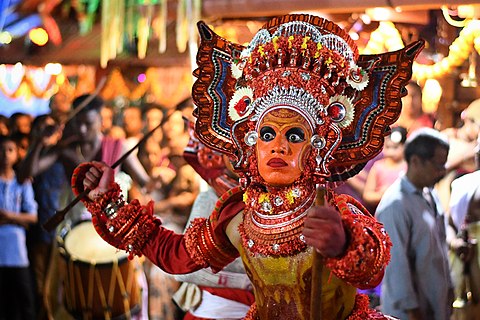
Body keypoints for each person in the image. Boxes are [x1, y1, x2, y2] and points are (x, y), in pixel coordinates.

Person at [70, 14, 423, 319]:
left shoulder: (333, 210)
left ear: (318, 145)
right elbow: (177, 257)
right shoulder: (239, 213)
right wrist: (109, 202)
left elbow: (373, 269)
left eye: (295, 135)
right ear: (251, 141)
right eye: (267, 133)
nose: (279, 146)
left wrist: (344, 244)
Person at [376, 127, 454, 320]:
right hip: (411, 313)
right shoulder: (395, 205)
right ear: (416, 161)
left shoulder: (429, 194)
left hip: (434, 305)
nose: (442, 172)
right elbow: (396, 265)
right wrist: (413, 311)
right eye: (438, 165)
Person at [0, 134, 38, 320]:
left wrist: (8, 216)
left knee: (25, 300)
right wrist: (19, 219)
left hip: (17, 251)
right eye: (2, 150)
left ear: (16, 154)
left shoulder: (22, 182)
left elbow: (32, 217)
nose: (5, 155)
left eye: (10, 150)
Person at [448, 133, 480, 319]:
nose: (477, 153)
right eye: (477, 148)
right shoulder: (462, 184)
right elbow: (450, 223)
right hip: (465, 262)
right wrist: (454, 242)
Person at [363, 126, 408, 210]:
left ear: (404, 146)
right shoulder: (378, 167)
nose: (390, 152)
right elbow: (367, 195)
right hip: (382, 212)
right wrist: (383, 194)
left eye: (395, 148)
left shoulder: (408, 168)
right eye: (387, 147)